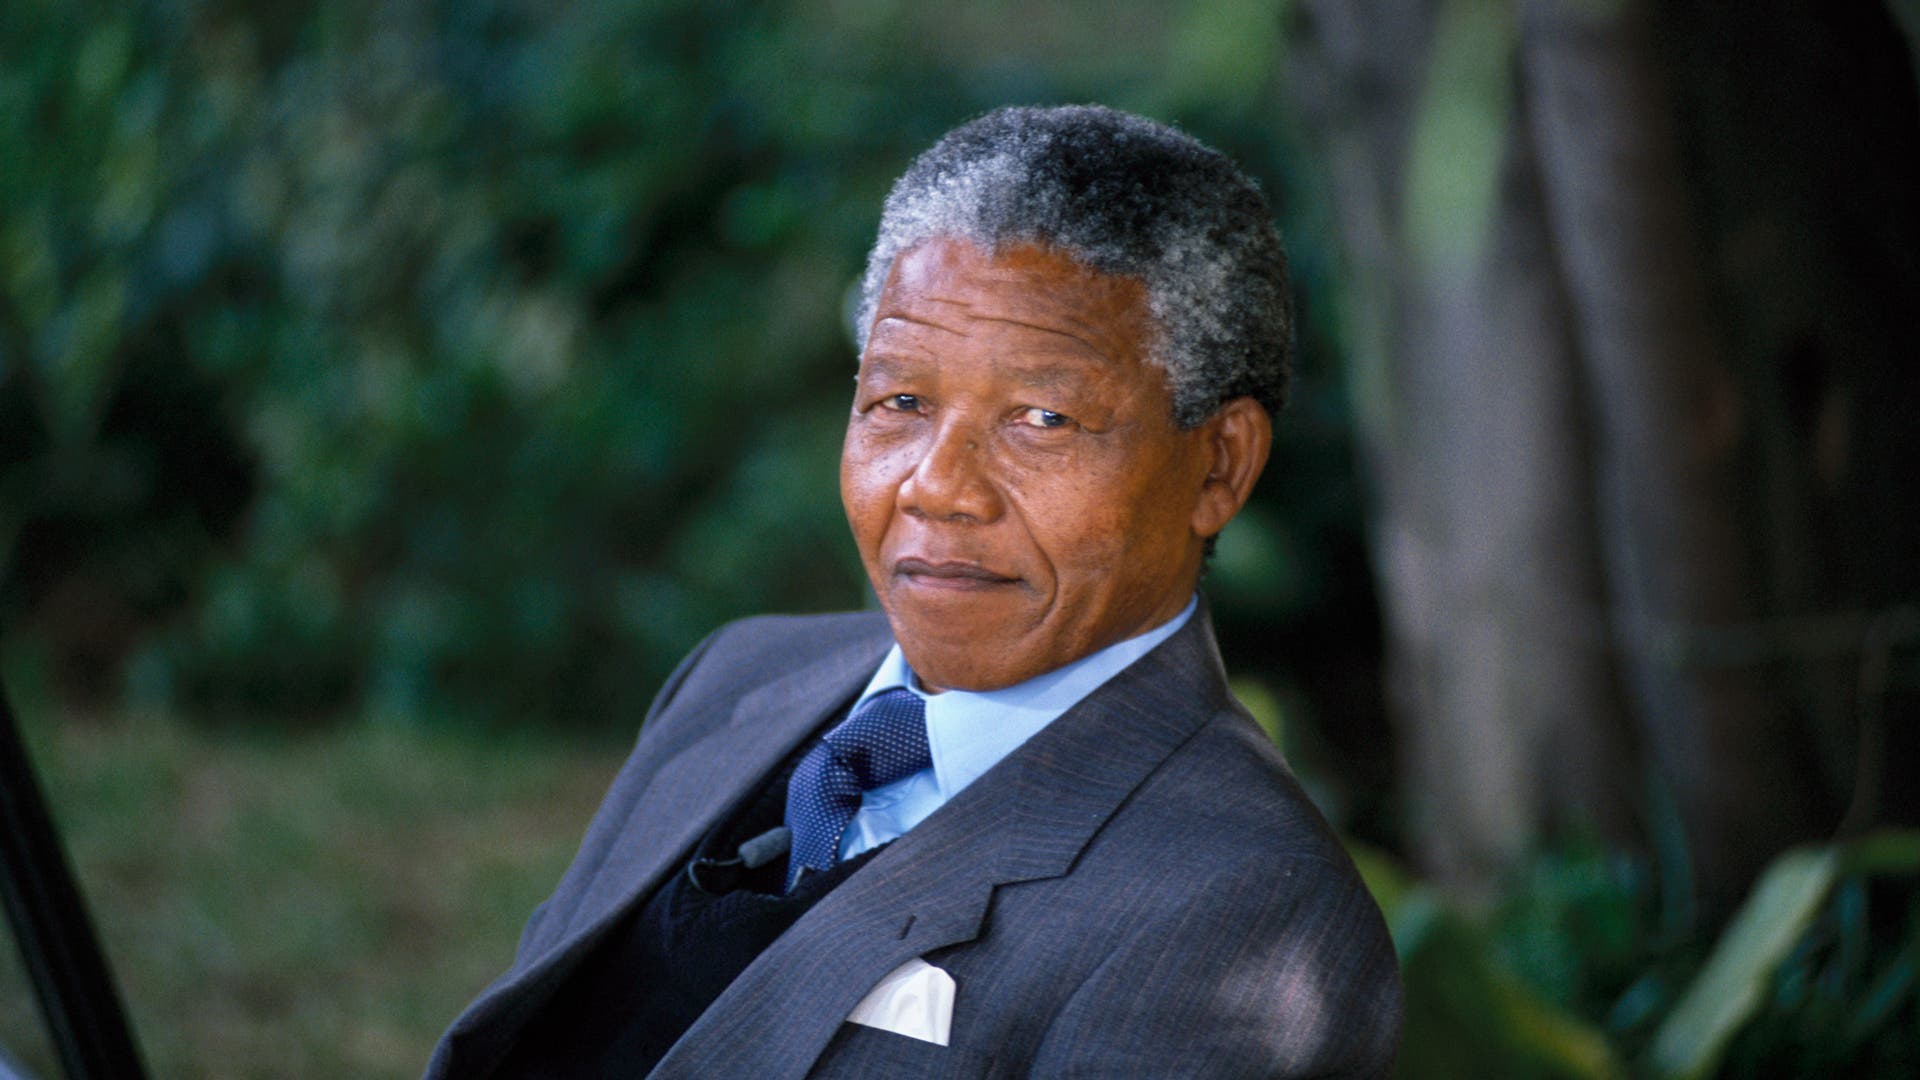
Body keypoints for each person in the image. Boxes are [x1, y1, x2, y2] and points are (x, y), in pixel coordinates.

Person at [426, 104, 1401, 1079]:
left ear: (1218, 468)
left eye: (1043, 418)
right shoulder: (739, 675)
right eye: (900, 401)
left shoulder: (1246, 916)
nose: (937, 484)